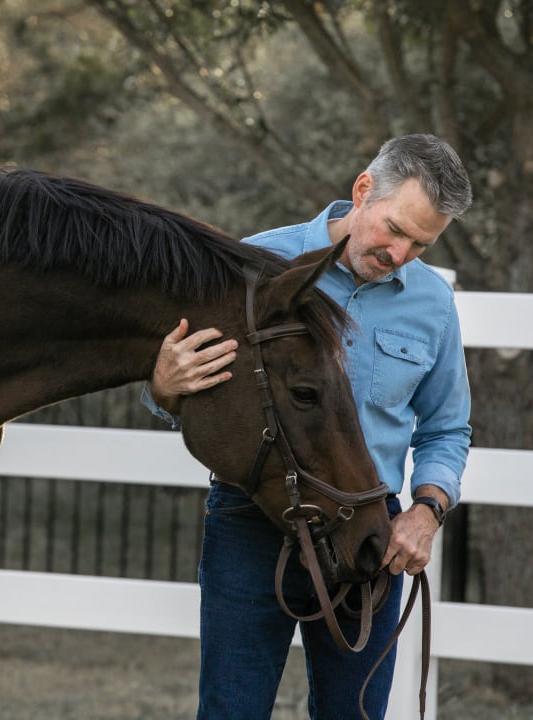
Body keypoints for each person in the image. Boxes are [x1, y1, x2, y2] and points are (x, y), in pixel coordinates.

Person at [141, 134, 473, 720]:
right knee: (231, 711)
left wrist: (426, 511)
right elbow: (187, 393)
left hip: (369, 532)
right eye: (394, 230)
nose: (400, 253)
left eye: (421, 244)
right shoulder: (249, 266)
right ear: (363, 190)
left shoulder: (433, 303)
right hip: (252, 523)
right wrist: (165, 388)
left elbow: (447, 429)